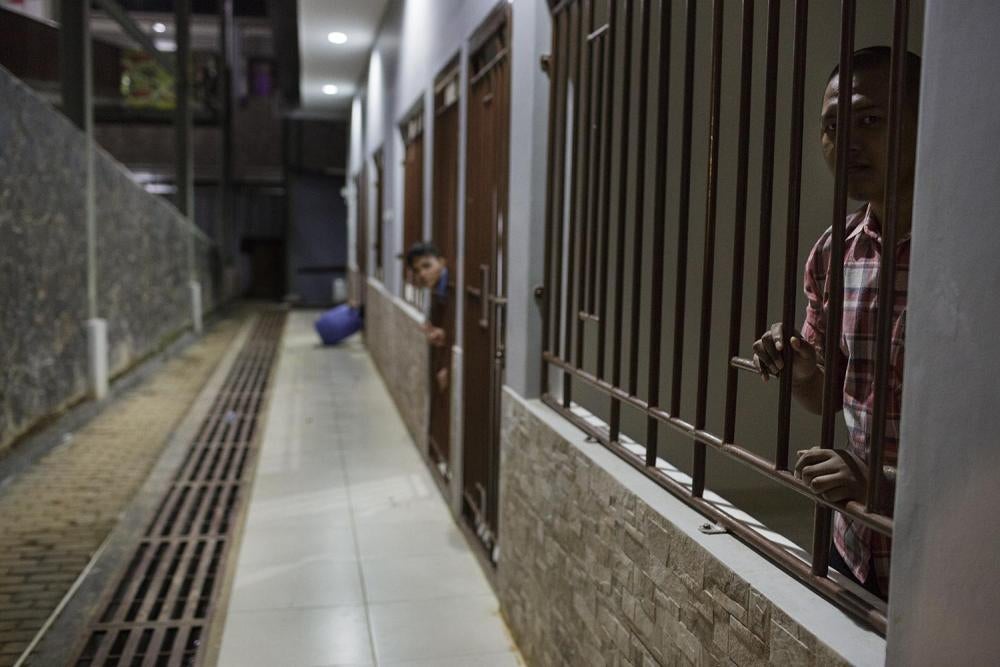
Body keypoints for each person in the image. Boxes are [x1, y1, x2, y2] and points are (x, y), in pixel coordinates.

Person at [751, 47, 921, 598]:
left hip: (950, 553)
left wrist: (887, 489)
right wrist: (801, 371)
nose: (845, 142)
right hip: (855, 544)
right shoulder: (835, 252)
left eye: (869, 120)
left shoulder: (974, 252)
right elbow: (832, 397)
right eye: (831, 126)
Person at [405, 242, 452, 392]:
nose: (423, 274)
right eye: (417, 270)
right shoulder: (438, 289)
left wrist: (449, 366)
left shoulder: (450, 288)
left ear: (442, 262)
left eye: (427, 266)